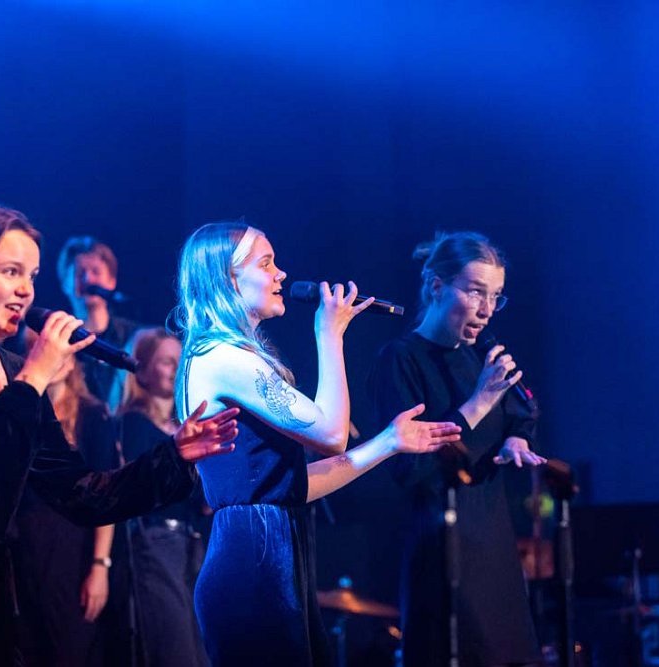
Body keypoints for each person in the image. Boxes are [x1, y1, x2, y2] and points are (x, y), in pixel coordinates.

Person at [0, 199, 238, 667]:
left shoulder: (14, 369)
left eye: (31, 276)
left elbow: (81, 492)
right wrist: (35, 376)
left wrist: (174, 455)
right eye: (10, 271)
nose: (25, 291)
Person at [174, 221, 463, 666]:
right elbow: (331, 434)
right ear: (226, 279)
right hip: (253, 565)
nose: (281, 274)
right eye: (266, 264)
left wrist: (388, 442)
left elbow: (292, 488)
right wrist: (330, 334)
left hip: (270, 555)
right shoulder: (222, 358)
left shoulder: (224, 357)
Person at [369, 231, 544, 667]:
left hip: (494, 546)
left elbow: (521, 412)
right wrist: (479, 402)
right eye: (476, 292)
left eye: (496, 296)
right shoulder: (401, 359)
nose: (487, 309)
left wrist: (517, 437)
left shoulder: (479, 357)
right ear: (436, 286)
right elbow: (409, 470)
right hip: (441, 548)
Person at [12, 341, 117, 667]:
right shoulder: (19, 408)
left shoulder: (92, 415)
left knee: (68, 645)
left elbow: (105, 493)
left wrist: (99, 565)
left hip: (71, 542)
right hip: (23, 540)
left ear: (72, 362)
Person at [109, 327, 209, 667]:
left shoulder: (184, 427)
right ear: (141, 369)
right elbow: (150, 485)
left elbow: (202, 501)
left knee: (202, 649)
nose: (177, 369)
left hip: (191, 541)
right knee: (175, 648)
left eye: (181, 361)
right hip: (154, 539)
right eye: (167, 362)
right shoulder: (132, 424)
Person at [57, 235, 140, 408]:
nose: (88, 280)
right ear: (65, 283)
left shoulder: (132, 336)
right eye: (80, 273)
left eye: (96, 272)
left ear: (112, 281)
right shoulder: (57, 338)